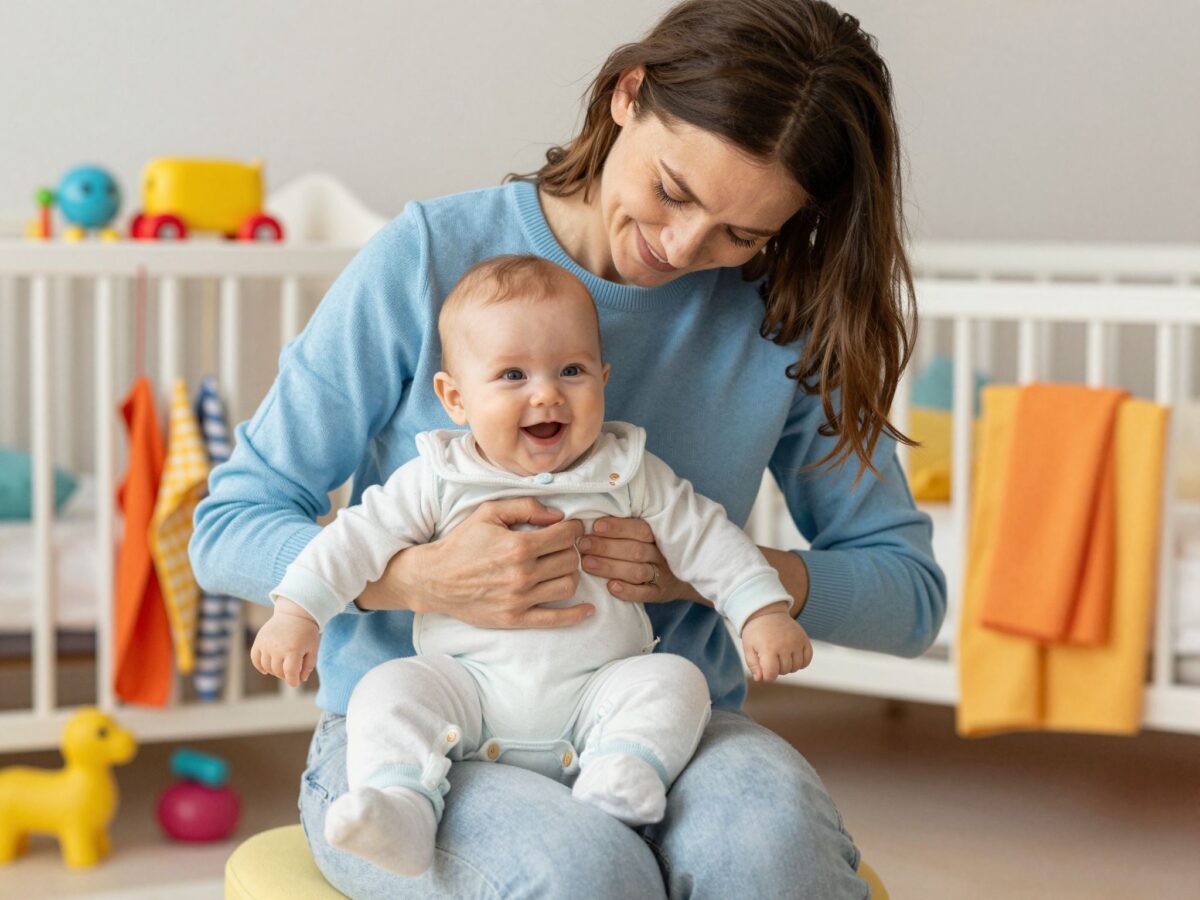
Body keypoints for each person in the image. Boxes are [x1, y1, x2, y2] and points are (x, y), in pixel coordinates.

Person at [190, 0, 946, 896]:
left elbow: (909, 595)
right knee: (587, 873)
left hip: (653, 727)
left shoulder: (782, 317)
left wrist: (713, 571)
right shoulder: (432, 258)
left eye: (744, 233)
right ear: (629, 94)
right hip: (421, 732)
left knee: (776, 847)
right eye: (673, 189)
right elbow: (227, 525)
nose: (682, 246)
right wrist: (417, 578)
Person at [250, 254, 814, 876]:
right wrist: (296, 611)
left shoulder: (628, 471)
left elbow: (710, 539)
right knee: (386, 690)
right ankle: (402, 805)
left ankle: (624, 770)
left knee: (677, 679)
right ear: (455, 398)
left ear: (603, 376)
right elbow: (350, 540)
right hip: (466, 693)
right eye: (513, 374)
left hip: (600, 692)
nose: (546, 392)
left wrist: (762, 611)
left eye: (571, 370)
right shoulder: (439, 478)